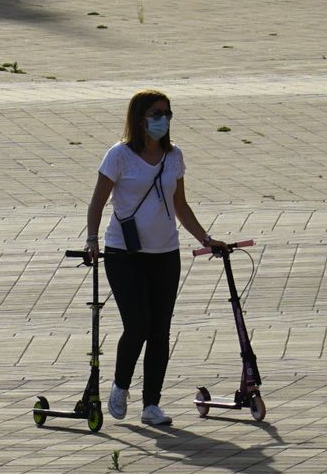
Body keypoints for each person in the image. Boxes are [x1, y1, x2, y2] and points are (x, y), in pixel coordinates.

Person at [84, 90, 226, 426]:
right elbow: (97, 202)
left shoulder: (173, 156)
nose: (162, 119)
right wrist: (91, 239)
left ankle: (152, 404)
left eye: (167, 113)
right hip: (124, 252)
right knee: (137, 325)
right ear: (139, 118)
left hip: (165, 253)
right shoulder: (119, 156)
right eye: (155, 114)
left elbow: (180, 205)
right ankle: (120, 385)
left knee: (160, 330)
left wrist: (205, 239)